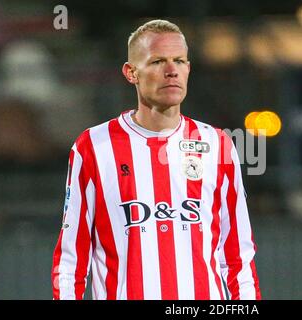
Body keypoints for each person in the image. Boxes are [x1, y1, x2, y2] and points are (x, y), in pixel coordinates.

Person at [51, 19, 261, 300]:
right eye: (158, 61)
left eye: (180, 61)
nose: (171, 71)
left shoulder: (217, 144)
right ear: (131, 73)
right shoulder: (93, 147)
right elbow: (71, 261)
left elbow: (238, 256)